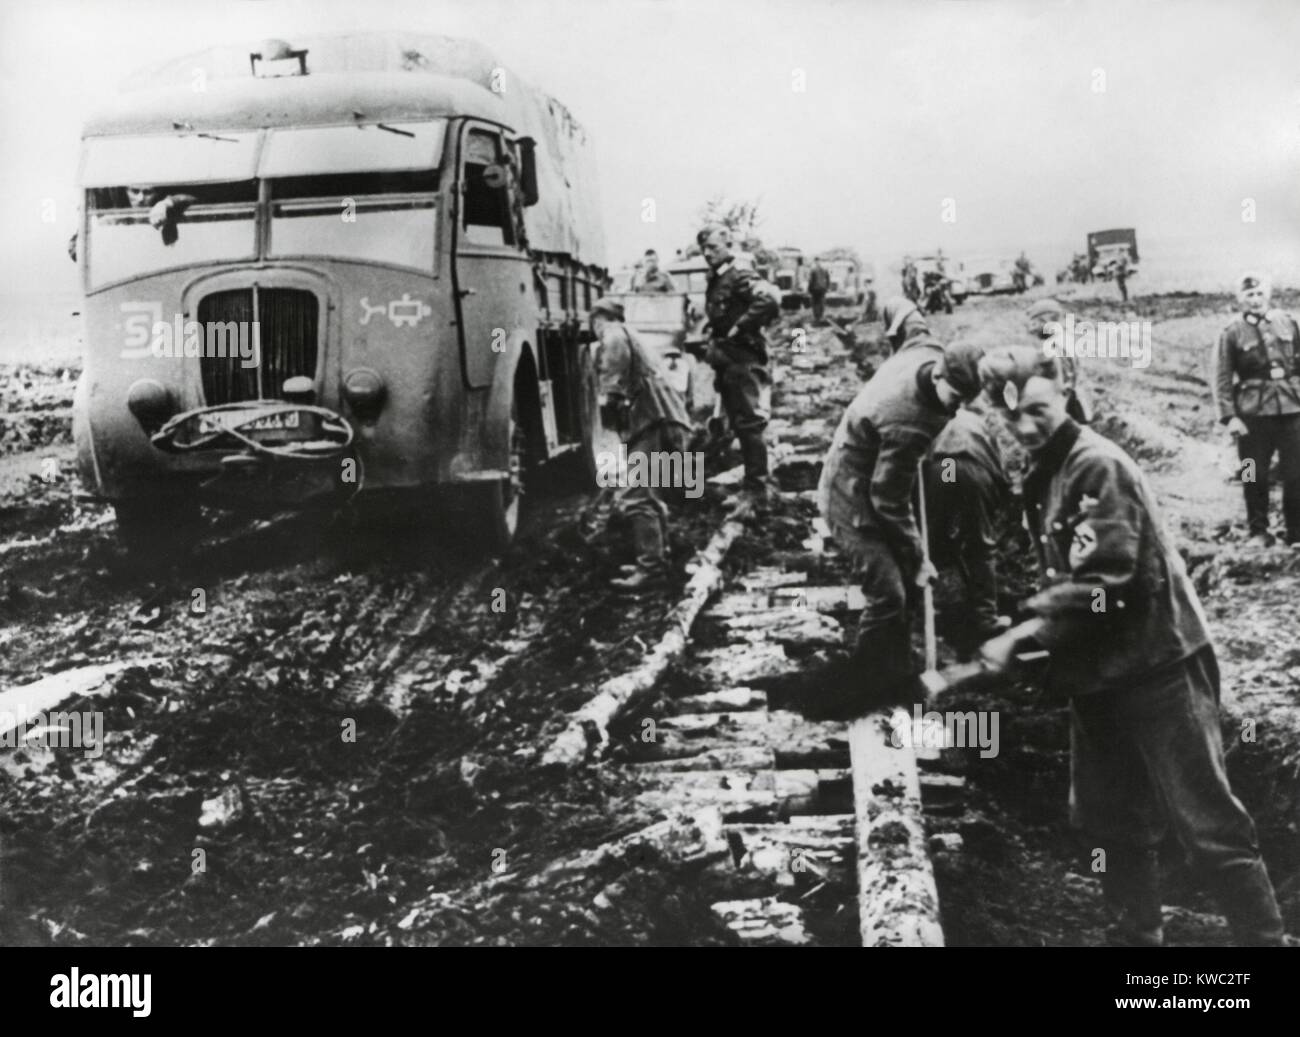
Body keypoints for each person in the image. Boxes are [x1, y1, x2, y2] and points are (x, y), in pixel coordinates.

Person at [977, 346, 1285, 947]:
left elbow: (1107, 585)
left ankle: (1263, 943)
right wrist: (1035, 637)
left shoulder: (1097, 466)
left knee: (1206, 822)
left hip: (1157, 664)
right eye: (1012, 416)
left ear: (1064, 393)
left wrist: (1028, 634)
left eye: (1038, 409)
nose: (1026, 425)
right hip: (1097, 675)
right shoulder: (1046, 470)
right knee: (1108, 820)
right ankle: (1136, 940)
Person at [800, 337, 986, 720]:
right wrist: (918, 558)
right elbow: (887, 498)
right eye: (955, 397)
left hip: (873, 472)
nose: (959, 408)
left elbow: (912, 327)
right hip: (849, 494)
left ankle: (898, 666)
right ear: (938, 376)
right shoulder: (909, 423)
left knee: (900, 581)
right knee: (889, 595)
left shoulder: (926, 350)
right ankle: (864, 688)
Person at [591, 298, 693, 594]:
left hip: (653, 421)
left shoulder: (612, 334)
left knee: (636, 495)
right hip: (666, 420)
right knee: (651, 493)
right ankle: (658, 558)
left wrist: (608, 406)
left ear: (599, 318)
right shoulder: (631, 334)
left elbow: (612, 379)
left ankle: (651, 569)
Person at [1211, 272, 1300, 548]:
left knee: (1296, 473)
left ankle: (1296, 532)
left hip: (1291, 410)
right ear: (1240, 300)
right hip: (1252, 416)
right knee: (1252, 473)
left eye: (1260, 293)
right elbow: (1222, 376)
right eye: (1249, 295)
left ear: (1268, 296)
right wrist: (1230, 417)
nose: (1255, 300)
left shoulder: (1288, 323)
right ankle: (1258, 531)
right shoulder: (1232, 332)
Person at [696, 225, 780, 501]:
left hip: (742, 360)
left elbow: (769, 299)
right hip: (728, 362)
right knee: (736, 425)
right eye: (704, 249)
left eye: (714, 248)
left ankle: (757, 488)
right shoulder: (718, 278)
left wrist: (740, 327)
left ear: (728, 245)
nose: (708, 254)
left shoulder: (739, 275)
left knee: (748, 424)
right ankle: (750, 483)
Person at [923, 401, 1012, 649]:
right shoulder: (979, 423)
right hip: (973, 470)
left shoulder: (931, 418)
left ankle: (926, 611)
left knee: (929, 542)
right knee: (981, 545)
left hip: (944, 468)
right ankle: (986, 617)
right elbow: (1000, 473)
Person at [1026, 297, 1093, 424]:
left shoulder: (1054, 345)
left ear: (1046, 321)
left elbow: (1060, 384)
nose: (1032, 330)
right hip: (1075, 402)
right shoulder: (1063, 338)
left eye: (1036, 323)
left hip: (1068, 408)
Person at [807, 258, 831, 323]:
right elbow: (828, 279)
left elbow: (810, 281)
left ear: (815, 262)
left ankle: (817, 317)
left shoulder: (813, 270)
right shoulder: (825, 269)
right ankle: (820, 316)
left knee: (815, 303)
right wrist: (827, 287)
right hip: (822, 288)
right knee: (821, 302)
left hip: (815, 289)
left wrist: (809, 289)